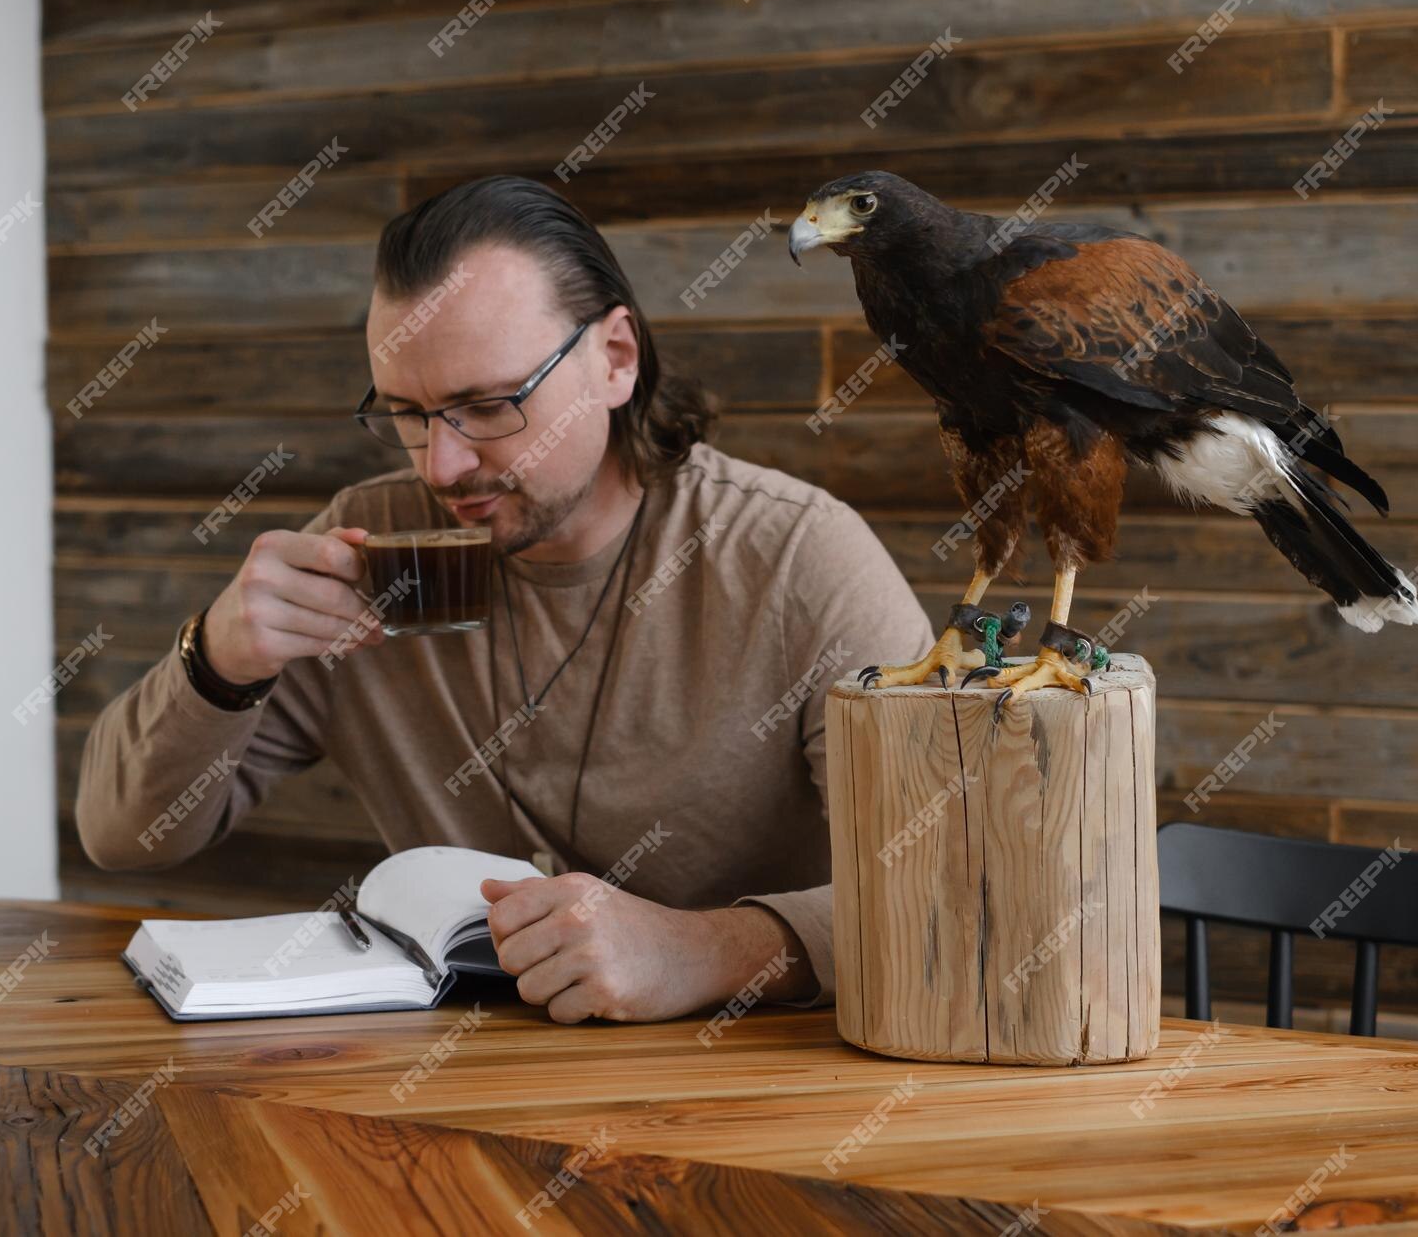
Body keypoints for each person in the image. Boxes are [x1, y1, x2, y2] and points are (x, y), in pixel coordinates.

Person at [75, 175, 934, 1023]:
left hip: (754, 1096)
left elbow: (954, 877)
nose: (440, 467)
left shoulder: (796, 559)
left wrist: (710, 950)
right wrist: (217, 660)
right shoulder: (372, 548)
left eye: (486, 405)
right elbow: (125, 836)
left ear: (615, 359)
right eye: (407, 412)